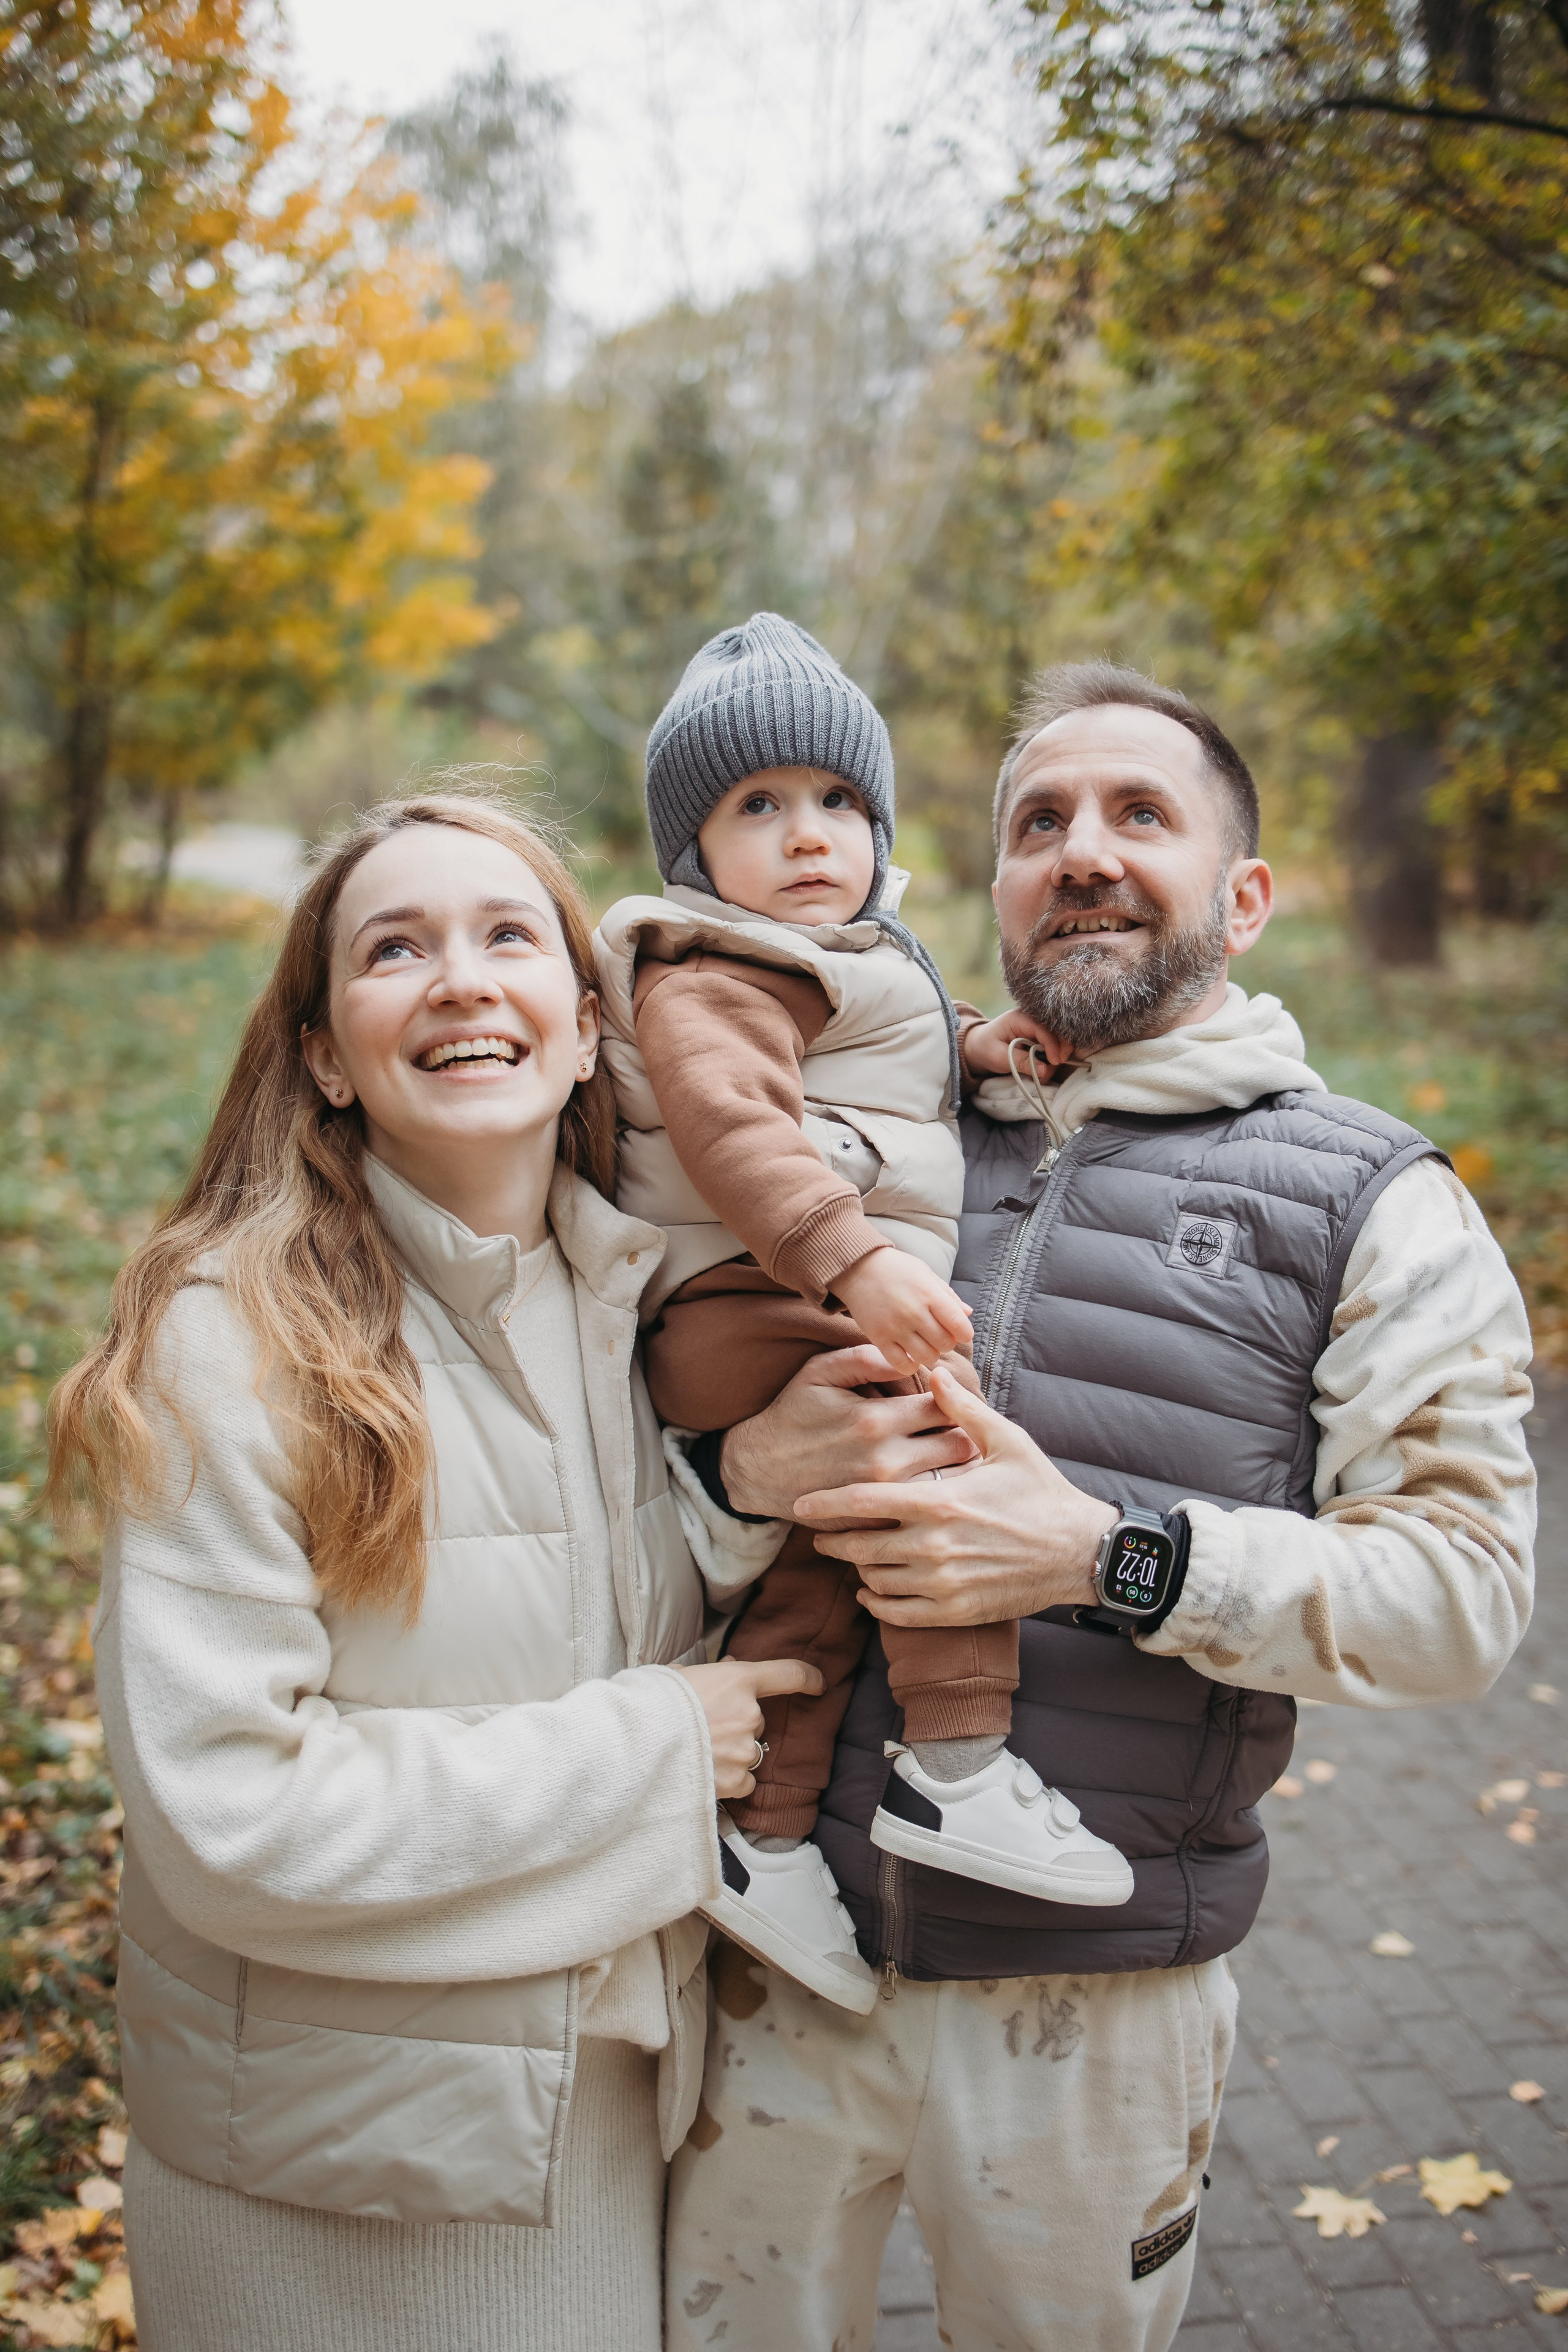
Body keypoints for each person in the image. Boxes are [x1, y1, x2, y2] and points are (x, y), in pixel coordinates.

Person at [665, 661, 1537, 2352]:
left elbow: (1465, 1597)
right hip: (784, 1962)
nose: (1083, 850)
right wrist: (736, 1477)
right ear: (985, 885)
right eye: (1039, 822)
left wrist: (1110, 1558)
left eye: (1144, 814)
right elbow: (634, 1480)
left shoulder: (1374, 1199)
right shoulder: (865, 1140)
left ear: (1246, 894)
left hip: (1099, 2008)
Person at [48, 790, 819, 2352]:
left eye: (506, 935)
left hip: (595, 2125)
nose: (461, 978)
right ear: (327, 1054)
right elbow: (231, 1815)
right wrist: (657, 1746)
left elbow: (581, 1598)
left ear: (587, 1029)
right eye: (394, 948)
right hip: (336, 2181)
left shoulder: (630, 1302)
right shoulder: (233, 1337)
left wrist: (737, 1485)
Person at [594, 616, 1133, 2014]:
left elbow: (879, 1036)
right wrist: (852, 1262)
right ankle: (955, 1769)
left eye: (836, 800)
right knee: (937, 1451)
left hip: (782, 1296)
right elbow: (733, 1128)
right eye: (755, 806)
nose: (806, 834)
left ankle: (760, 1836)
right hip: (750, 1294)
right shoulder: (712, 968)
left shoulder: (838, 953)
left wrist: (976, 1043)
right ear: (692, 855)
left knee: (824, 1562)